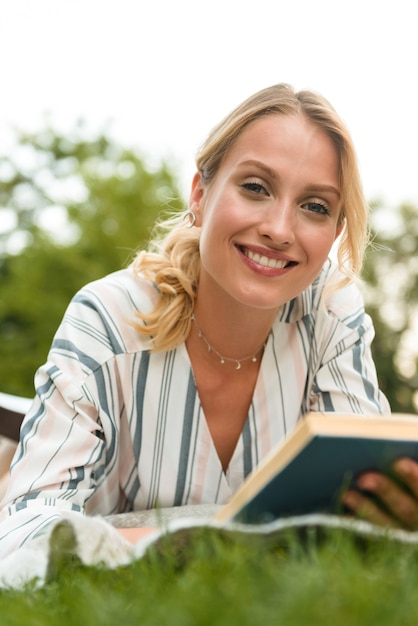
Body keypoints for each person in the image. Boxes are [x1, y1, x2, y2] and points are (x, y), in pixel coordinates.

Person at [0, 83, 416, 559]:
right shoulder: (108, 318)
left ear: (335, 232)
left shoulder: (332, 314)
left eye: (315, 206)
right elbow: (24, 531)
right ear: (200, 193)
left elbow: (363, 502)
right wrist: (216, 541)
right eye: (256, 187)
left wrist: (391, 508)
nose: (279, 230)